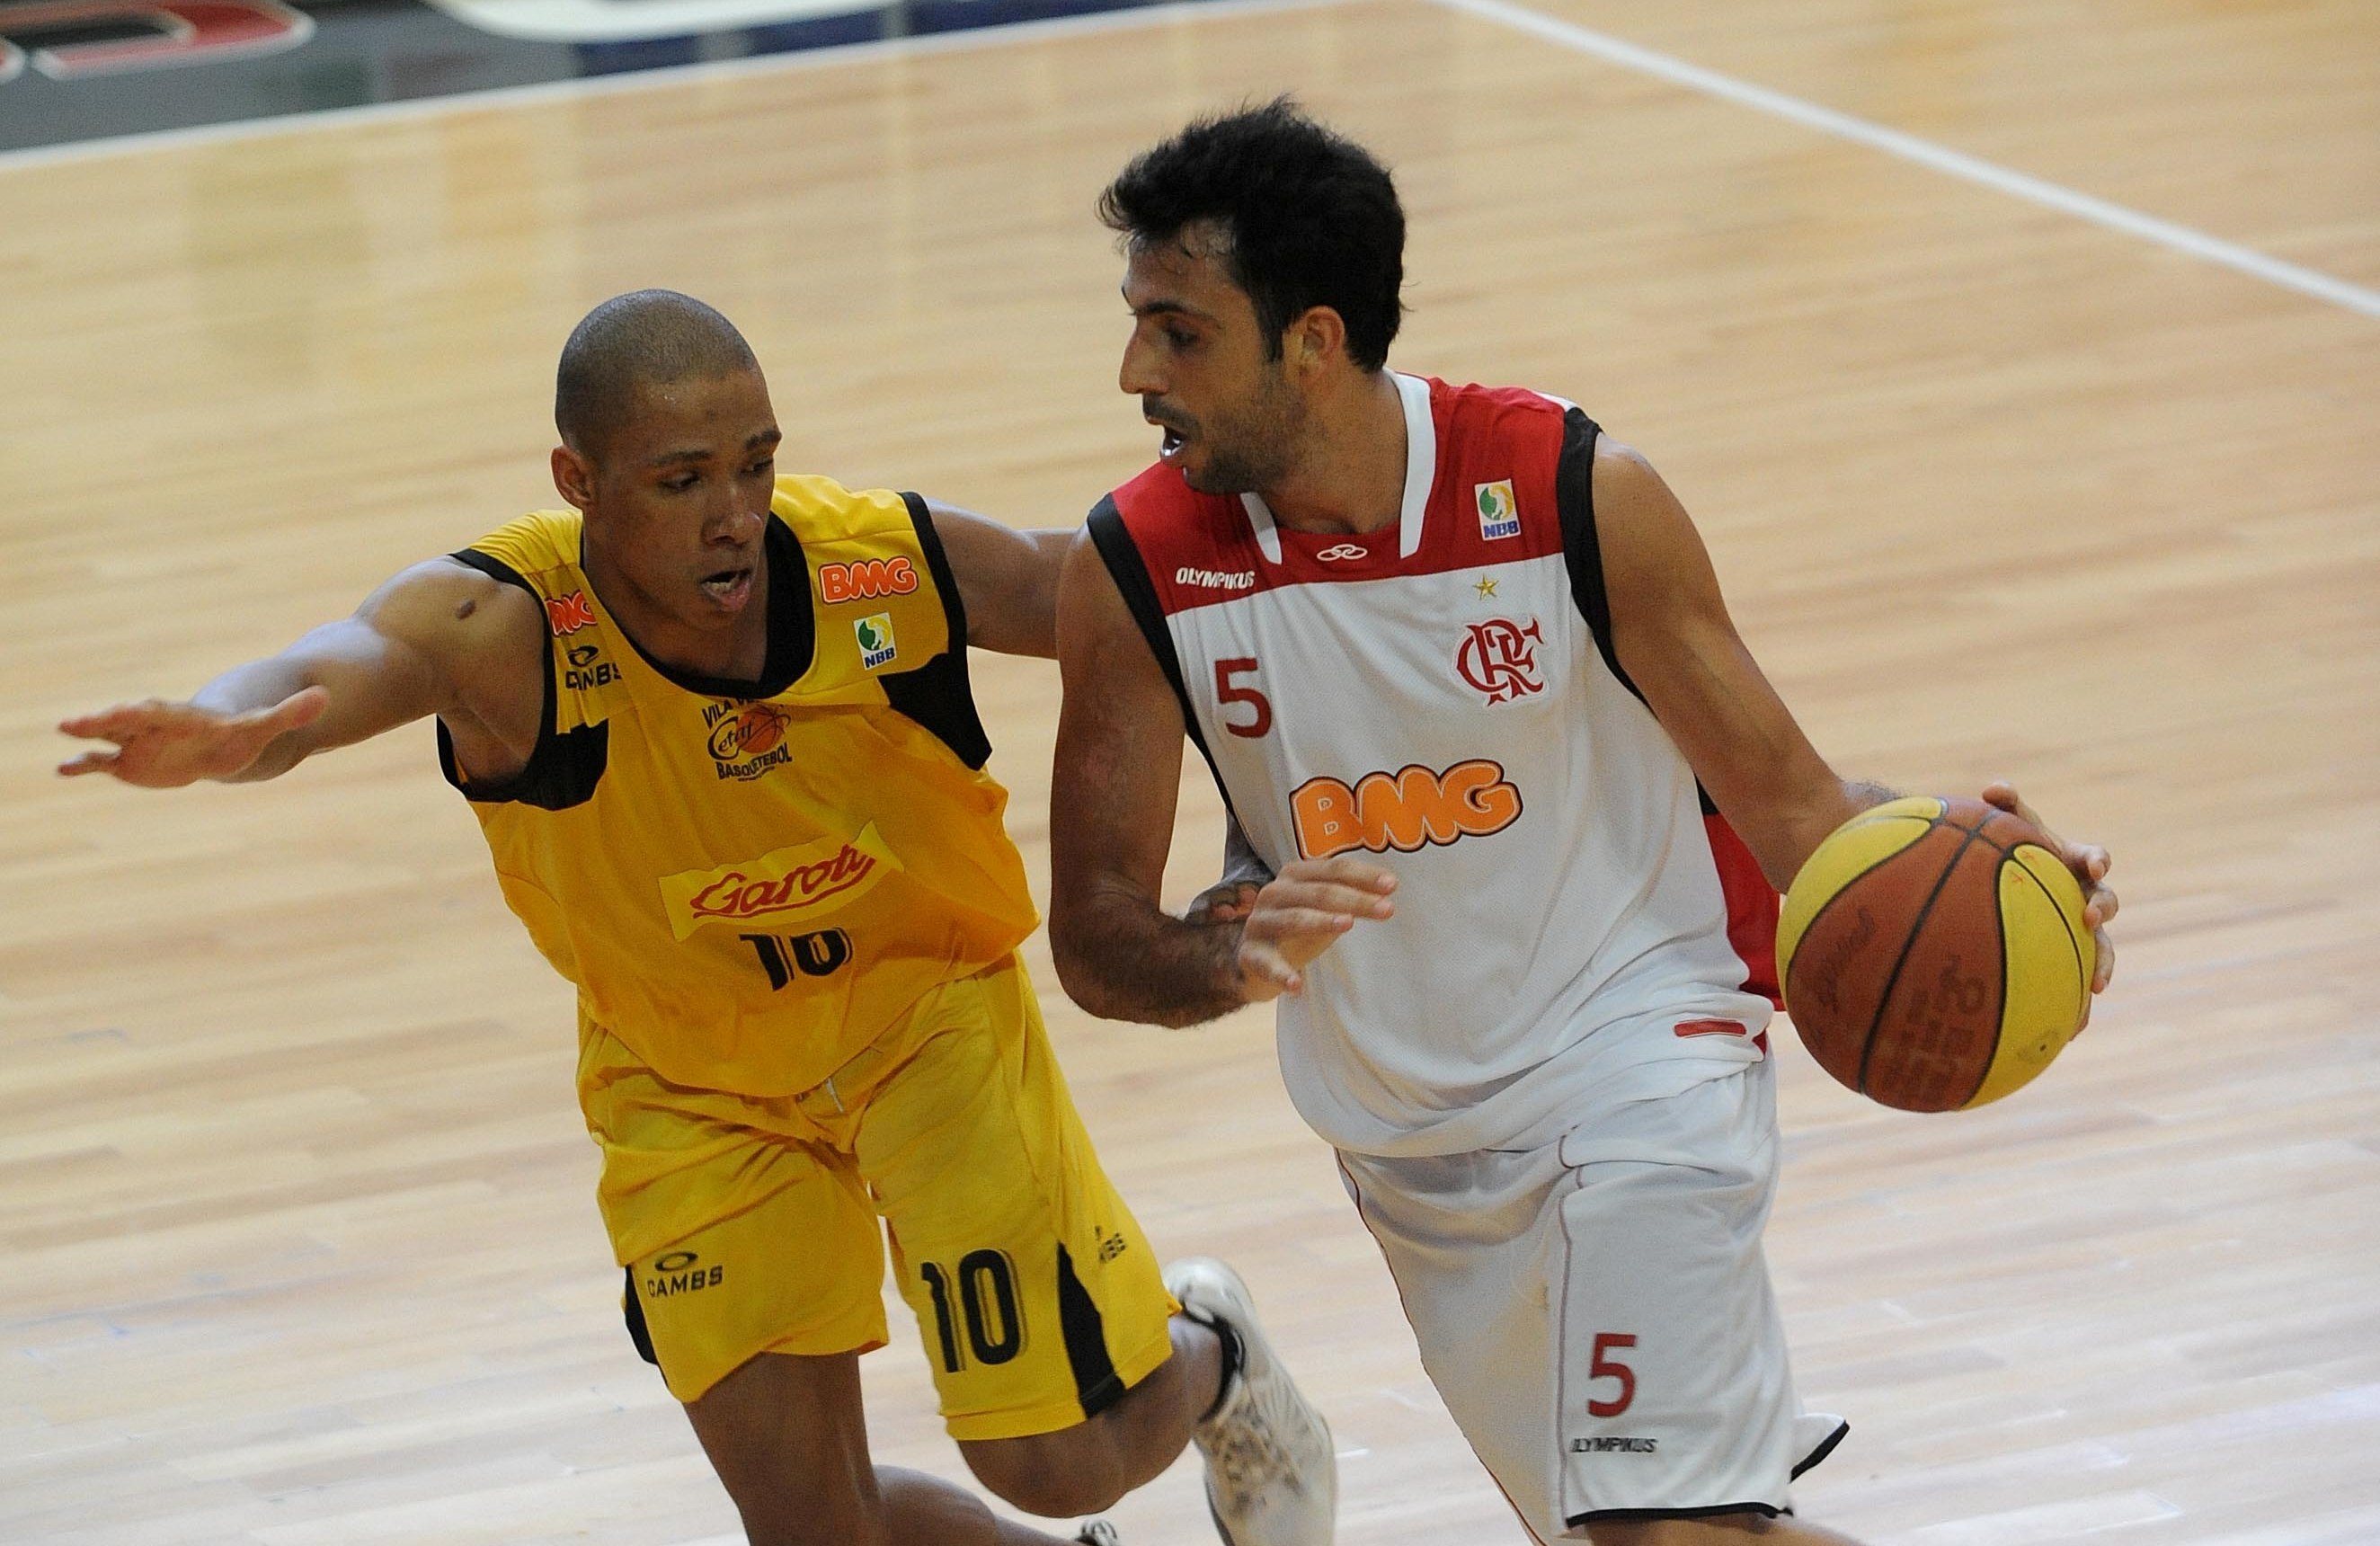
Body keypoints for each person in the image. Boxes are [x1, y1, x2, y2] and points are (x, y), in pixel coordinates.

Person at [57, 289, 1337, 1546]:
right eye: (680, 483)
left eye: (756, 465)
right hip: (687, 1084)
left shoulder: (879, 565)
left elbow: (1109, 589)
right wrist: (231, 733)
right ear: (578, 478)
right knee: (811, 1530)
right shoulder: (505, 629)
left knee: (1056, 1465)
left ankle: (1215, 1359)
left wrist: (1324, 545)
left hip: (926, 1029)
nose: (733, 518)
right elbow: (324, 675)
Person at [1045, 103, 2118, 1546]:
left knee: (1657, 1533)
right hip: (1415, 1141)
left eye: (1179, 333)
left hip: (1644, 1057)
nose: (1137, 373)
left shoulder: (1569, 494)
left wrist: (1978, 869)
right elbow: (1099, 939)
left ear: (1311, 338)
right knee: (1692, 1536)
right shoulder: (1137, 567)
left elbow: (1793, 806)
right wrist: (1220, 961)